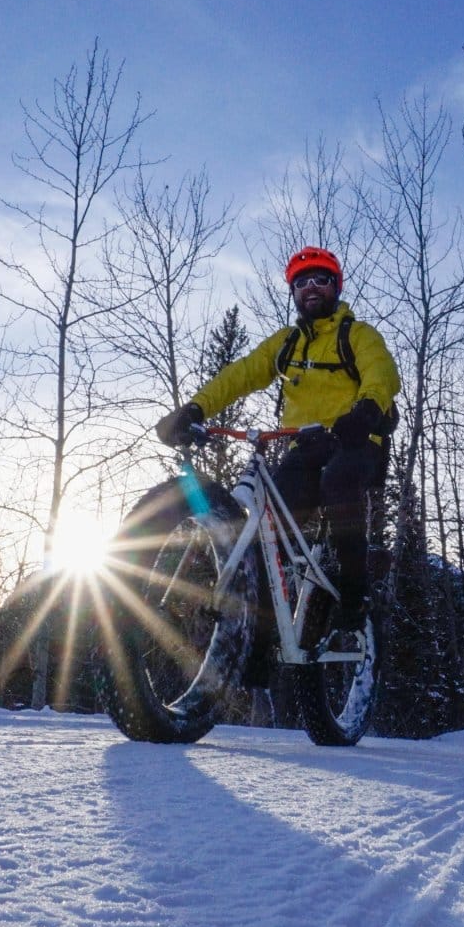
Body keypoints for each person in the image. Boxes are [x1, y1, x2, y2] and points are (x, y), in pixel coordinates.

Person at [154, 246, 401, 641]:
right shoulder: (286, 344)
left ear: (336, 287)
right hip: (303, 446)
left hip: (355, 441)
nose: (310, 288)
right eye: (300, 282)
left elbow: (381, 373)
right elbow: (241, 375)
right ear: (293, 293)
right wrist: (194, 410)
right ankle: (258, 648)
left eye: (320, 279)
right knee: (268, 533)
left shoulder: (356, 334)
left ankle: (354, 594)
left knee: (338, 483)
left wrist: (366, 409)